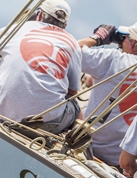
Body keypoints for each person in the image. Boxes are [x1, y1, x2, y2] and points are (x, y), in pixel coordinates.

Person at [78, 22, 137, 167]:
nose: (122, 42)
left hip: (86, 146)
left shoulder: (115, 59)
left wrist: (97, 38)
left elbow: (69, 51)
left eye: (125, 38)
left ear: (133, 42)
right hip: (118, 161)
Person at [0, 0, 81, 134]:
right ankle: (72, 139)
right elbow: (72, 92)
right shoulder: (72, 42)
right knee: (74, 106)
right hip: (45, 123)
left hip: (3, 113)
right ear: (65, 24)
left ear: (39, 15)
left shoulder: (16, 28)